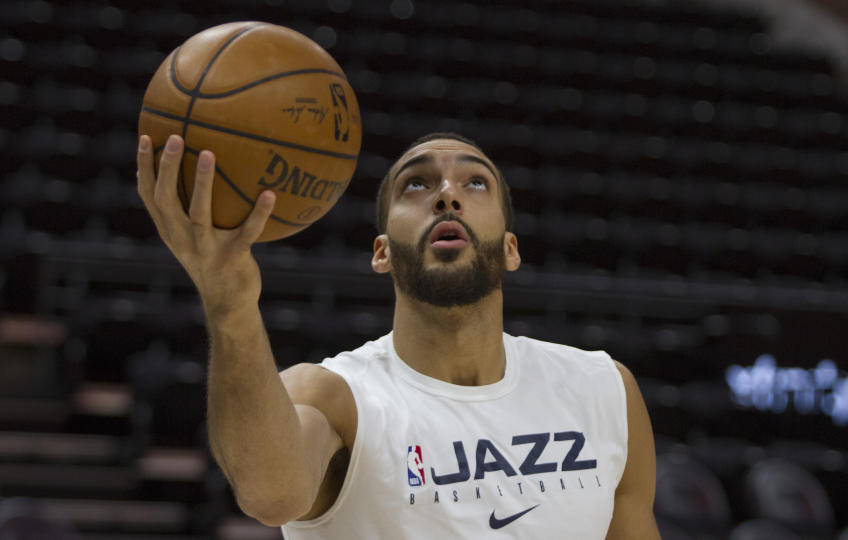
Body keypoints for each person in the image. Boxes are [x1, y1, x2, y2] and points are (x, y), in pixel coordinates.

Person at [136, 131, 660, 539]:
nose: (448, 196)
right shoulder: (334, 396)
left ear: (510, 249)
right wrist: (230, 307)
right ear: (381, 252)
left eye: (475, 183)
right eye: (417, 184)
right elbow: (269, 495)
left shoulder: (602, 387)